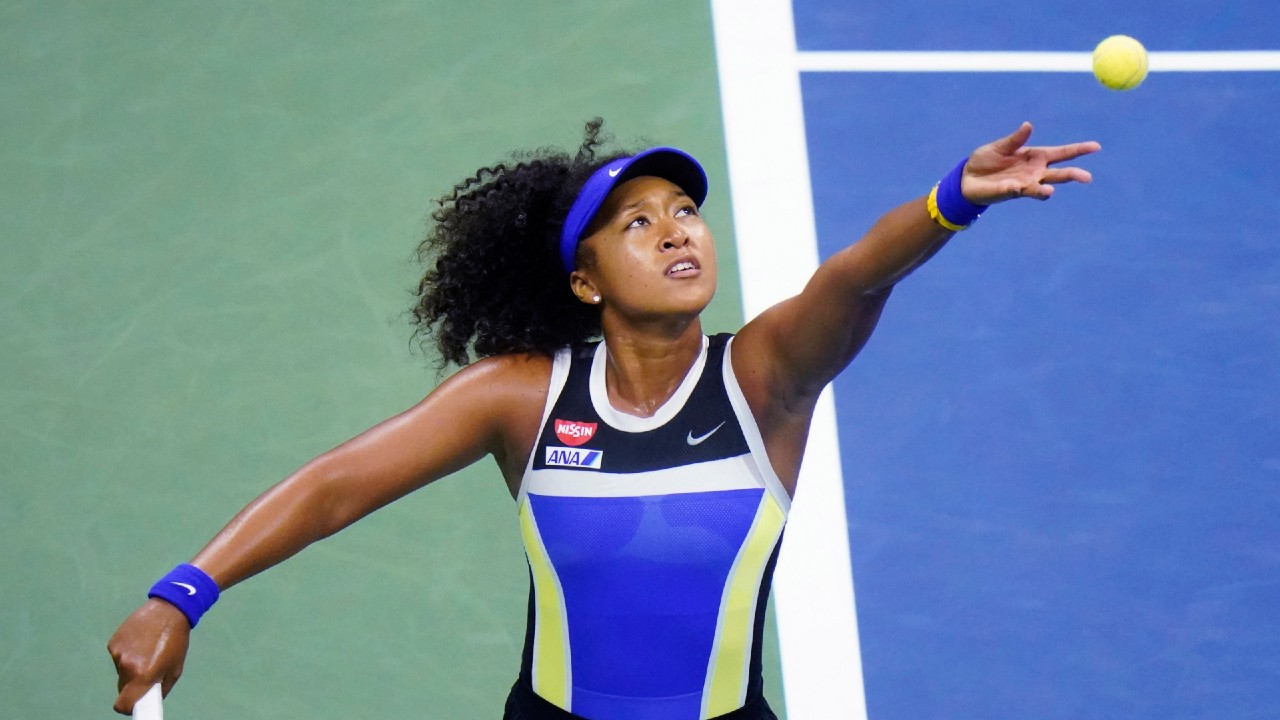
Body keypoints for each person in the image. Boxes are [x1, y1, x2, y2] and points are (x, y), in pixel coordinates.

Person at [108, 118, 1099, 719]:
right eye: (637, 221)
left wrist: (948, 201)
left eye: (683, 210)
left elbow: (852, 275)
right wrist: (179, 596)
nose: (675, 228)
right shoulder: (520, 395)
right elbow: (334, 487)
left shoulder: (763, 380)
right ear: (584, 281)